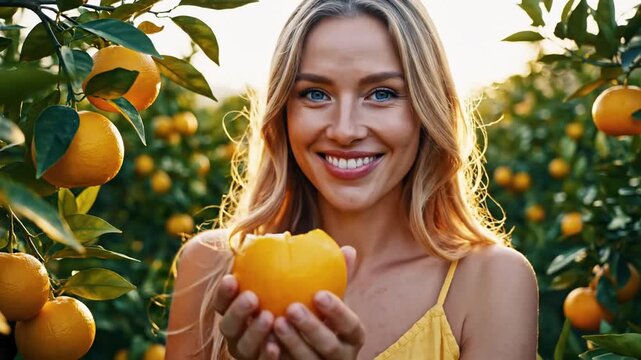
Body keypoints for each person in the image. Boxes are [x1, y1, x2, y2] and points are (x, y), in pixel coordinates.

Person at [166, 0, 539, 359]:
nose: (345, 130)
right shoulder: (211, 269)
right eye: (315, 93)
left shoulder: (491, 283)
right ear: (283, 113)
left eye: (381, 94)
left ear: (428, 109)